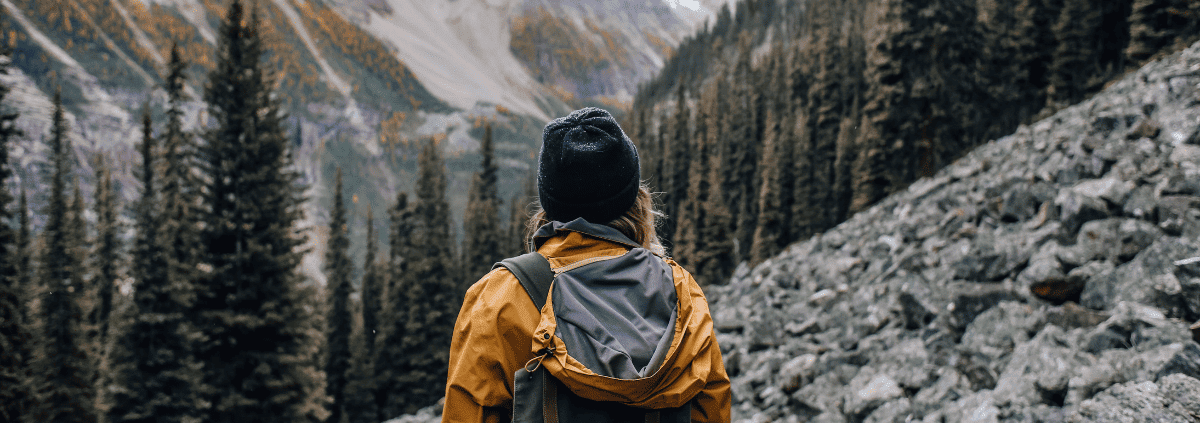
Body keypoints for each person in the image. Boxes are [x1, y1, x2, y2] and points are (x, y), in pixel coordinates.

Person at [443, 107, 731, 422]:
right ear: (635, 199)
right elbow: (711, 409)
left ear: (549, 203)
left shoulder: (499, 298)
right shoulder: (681, 293)